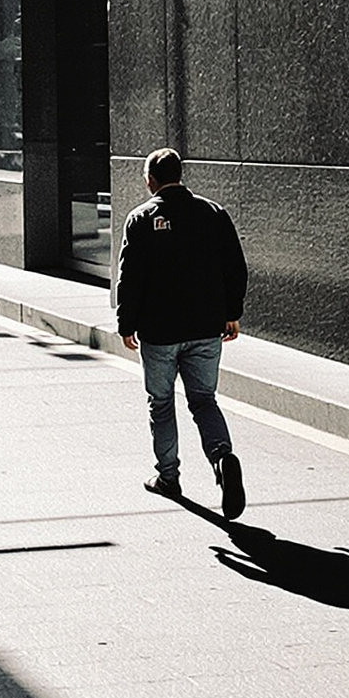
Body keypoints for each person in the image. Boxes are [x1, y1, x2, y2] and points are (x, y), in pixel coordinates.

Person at [115, 147, 248, 518]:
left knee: (161, 403)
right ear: (180, 174)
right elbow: (235, 267)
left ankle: (168, 478)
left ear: (150, 181)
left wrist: (127, 323)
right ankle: (223, 458)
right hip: (206, 327)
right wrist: (231, 313)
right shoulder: (212, 212)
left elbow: (131, 278)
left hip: (159, 331)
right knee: (204, 399)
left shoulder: (141, 218)